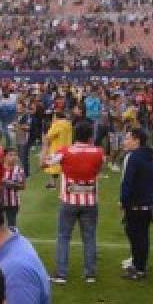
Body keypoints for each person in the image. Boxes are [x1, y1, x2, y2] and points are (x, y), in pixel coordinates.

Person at [49, 121, 105, 284]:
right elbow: (99, 168)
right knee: (89, 237)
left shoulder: (65, 151)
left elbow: (45, 163)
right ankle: (90, 273)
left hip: (69, 200)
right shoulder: (98, 152)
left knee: (63, 236)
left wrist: (46, 145)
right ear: (90, 136)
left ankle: (61, 273)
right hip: (90, 200)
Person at [119, 128, 153, 280]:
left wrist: (123, 202)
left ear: (136, 140)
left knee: (135, 235)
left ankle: (138, 268)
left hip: (135, 204)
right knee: (142, 235)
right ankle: (140, 264)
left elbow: (127, 182)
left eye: (127, 138)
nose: (125, 141)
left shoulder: (132, 157)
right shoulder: (152, 158)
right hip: (149, 204)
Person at [0, 148, 26, 230]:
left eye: (15, 155)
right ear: (4, 157)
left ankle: (13, 241)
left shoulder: (19, 170)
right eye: (10, 155)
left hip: (13, 202)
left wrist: (9, 183)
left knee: (12, 226)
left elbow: (23, 186)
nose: (13, 157)